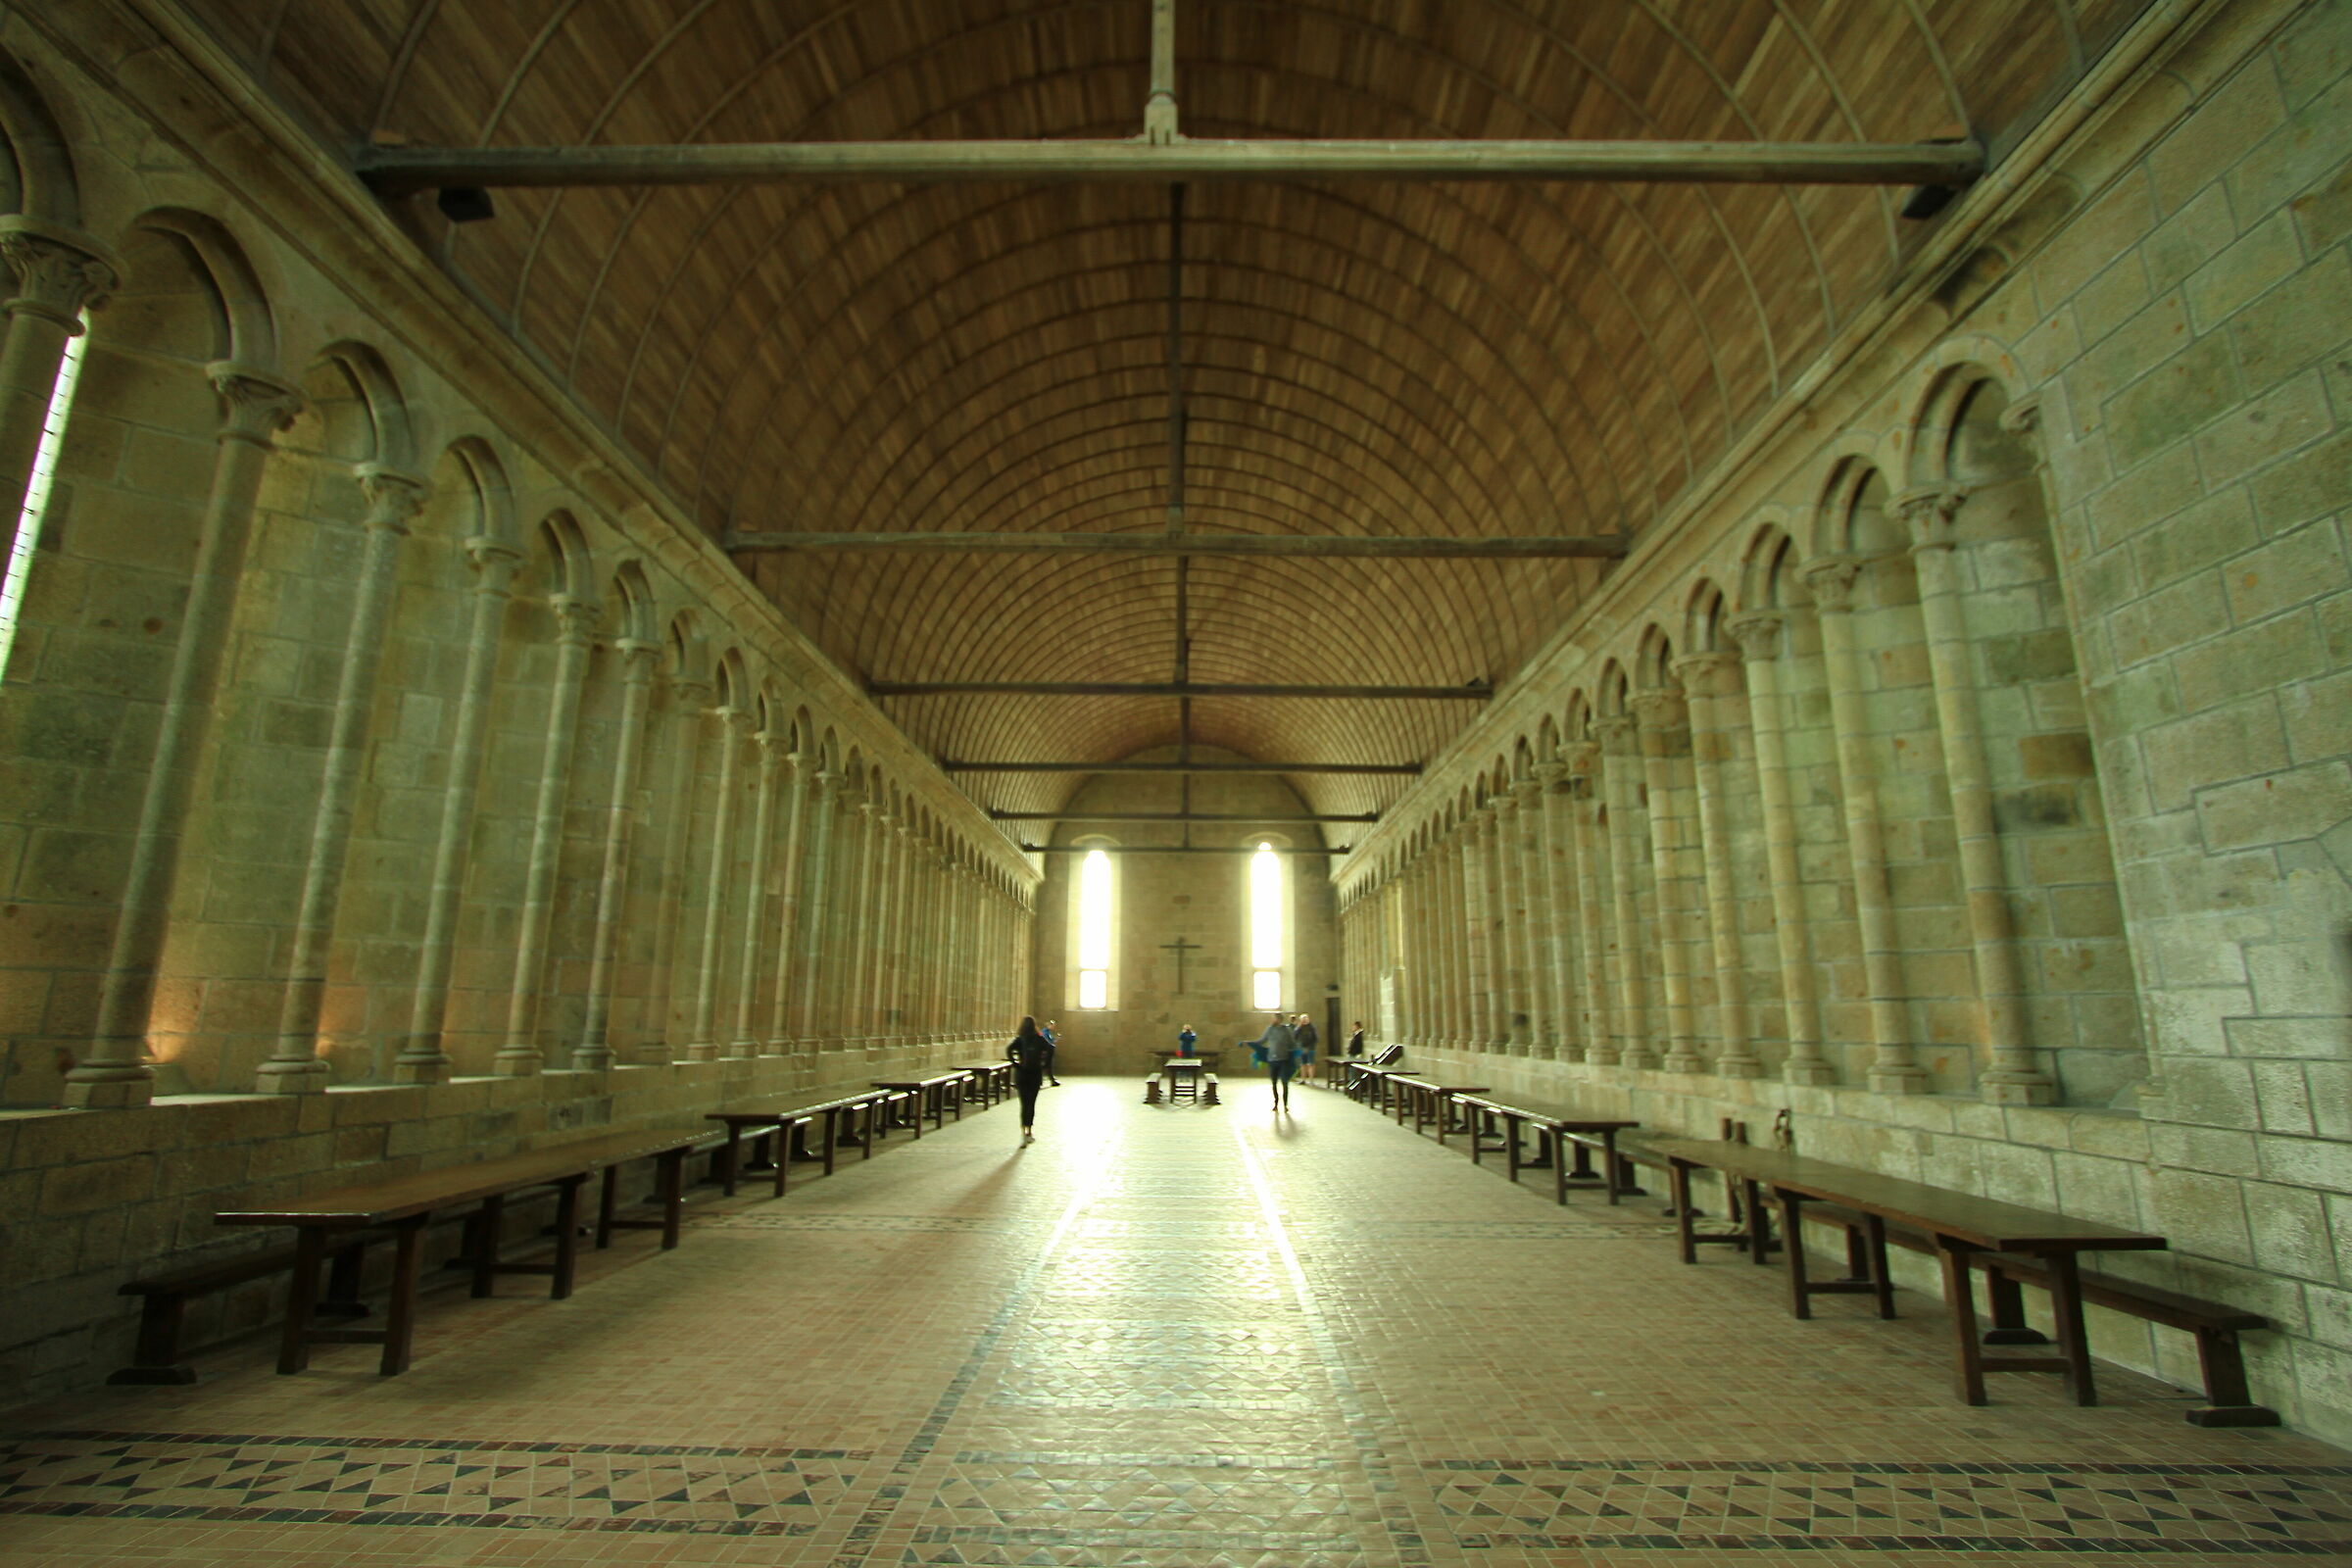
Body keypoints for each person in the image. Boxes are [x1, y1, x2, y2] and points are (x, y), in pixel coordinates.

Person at [1007, 1016, 1053, 1144]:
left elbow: (1009, 1050)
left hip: (1022, 1074)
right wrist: (1044, 1065)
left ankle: (1023, 1131)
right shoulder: (1039, 1039)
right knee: (1031, 1103)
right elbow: (1050, 1049)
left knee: (1024, 1104)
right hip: (1035, 1074)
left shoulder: (1020, 1039)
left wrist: (1015, 1064)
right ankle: (1029, 1131)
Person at [1244, 1014, 1300, 1111]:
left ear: (1279, 1020)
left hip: (1284, 1059)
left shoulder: (1286, 1030)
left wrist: (1293, 1051)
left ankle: (1285, 1105)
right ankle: (1276, 1103)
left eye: (1274, 1018)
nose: (1272, 1020)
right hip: (1272, 1060)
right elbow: (1261, 1040)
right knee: (1274, 1083)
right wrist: (1249, 1043)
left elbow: (1292, 1043)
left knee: (1284, 1082)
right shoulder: (1269, 1029)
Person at [1294, 1013, 1319, 1086]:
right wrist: (1299, 1026)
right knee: (1303, 1064)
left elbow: (1316, 1038)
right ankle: (1303, 1079)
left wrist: (1312, 1045)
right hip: (1301, 1048)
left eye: (1306, 1019)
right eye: (1303, 1019)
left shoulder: (1312, 1028)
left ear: (1308, 1019)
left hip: (1310, 1048)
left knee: (1311, 1064)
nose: (1304, 1020)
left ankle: (1311, 1080)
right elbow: (1295, 1036)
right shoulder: (1298, 1028)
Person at [1041, 1019, 1062, 1086]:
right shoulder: (1045, 1032)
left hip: (1048, 1050)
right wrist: (1055, 1041)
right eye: (1053, 1025)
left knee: (1047, 1065)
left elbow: (1051, 1040)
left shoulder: (1047, 1032)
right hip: (1046, 1051)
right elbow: (1048, 1041)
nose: (1053, 1027)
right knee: (1046, 1065)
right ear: (1049, 1025)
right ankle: (1050, 1080)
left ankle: (1051, 1080)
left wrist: (1057, 1039)